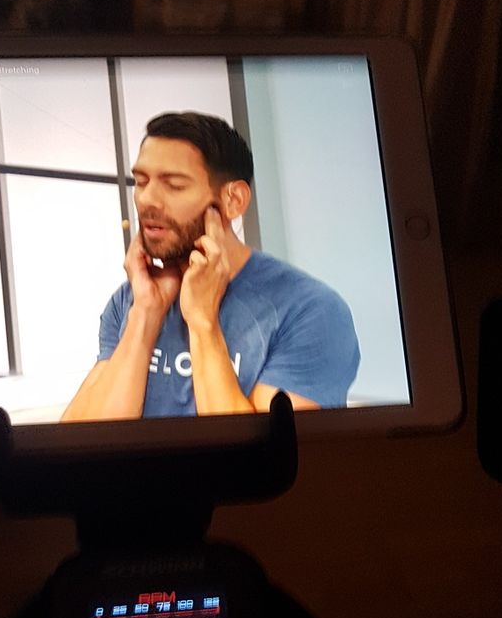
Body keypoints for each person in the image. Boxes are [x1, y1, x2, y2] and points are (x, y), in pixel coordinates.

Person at [61, 112, 359, 421]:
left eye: (174, 185)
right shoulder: (131, 299)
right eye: (141, 182)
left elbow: (266, 448)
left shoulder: (310, 309)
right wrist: (146, 314)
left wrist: (203, 322)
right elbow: (82, 440)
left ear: (234, 200)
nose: (147, 199)